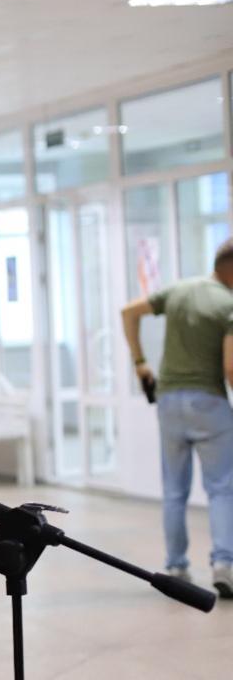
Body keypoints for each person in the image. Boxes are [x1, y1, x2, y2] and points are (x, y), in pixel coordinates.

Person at [121, 238, 233, 598]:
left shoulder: (179, 289)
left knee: (174, 490)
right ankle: (224, 564)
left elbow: (129, 312)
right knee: (222, 488)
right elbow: (230, 368)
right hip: (209, 402)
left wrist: (140, 363)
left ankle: (176, 566)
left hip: (169, 401)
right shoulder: (229, 305)